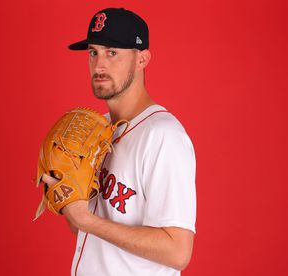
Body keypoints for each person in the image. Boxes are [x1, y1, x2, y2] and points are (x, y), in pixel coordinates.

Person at [42, 7, 197, 276]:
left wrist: (85, 219)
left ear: (142, 59)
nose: (99, 65)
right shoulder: (96, 132)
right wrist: (69, 203)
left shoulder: (163, 136)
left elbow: (178, 252)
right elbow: (90, 231)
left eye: (112, 53)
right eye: (94, 52)